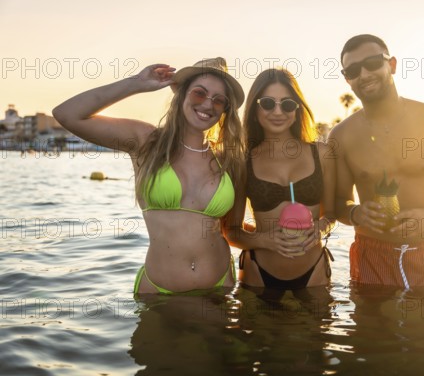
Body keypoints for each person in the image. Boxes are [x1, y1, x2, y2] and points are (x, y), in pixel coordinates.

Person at [52, 58, 246, 294]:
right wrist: (137, 83)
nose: (208, 105)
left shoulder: (227, 161)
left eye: (219, 100)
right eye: (199, 94)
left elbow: (232, 229)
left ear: (225, 109)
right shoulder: (147, 141)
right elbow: (67, 114)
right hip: (158, 293)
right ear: (181, 95)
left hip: (219, 288)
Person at [329, 34, 424, 289]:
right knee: (369, 328)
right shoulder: (342, 135)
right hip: (370, 258)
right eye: (354, 70)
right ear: (347, 79)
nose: (364, 74)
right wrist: (355, 212)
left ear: (392, 65)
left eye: (372, 63)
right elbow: (337, 204)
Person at [225, 68, 336, 291]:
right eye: (268, 103)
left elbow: (332, 214)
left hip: (313, 272)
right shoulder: (243, 162)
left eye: (287, 104)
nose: (278, 111)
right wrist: (265, 240)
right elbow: (231, 231)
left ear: (297, 109)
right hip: (258, 274)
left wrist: (320, 228)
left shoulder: (322, 154)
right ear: (255, 108)